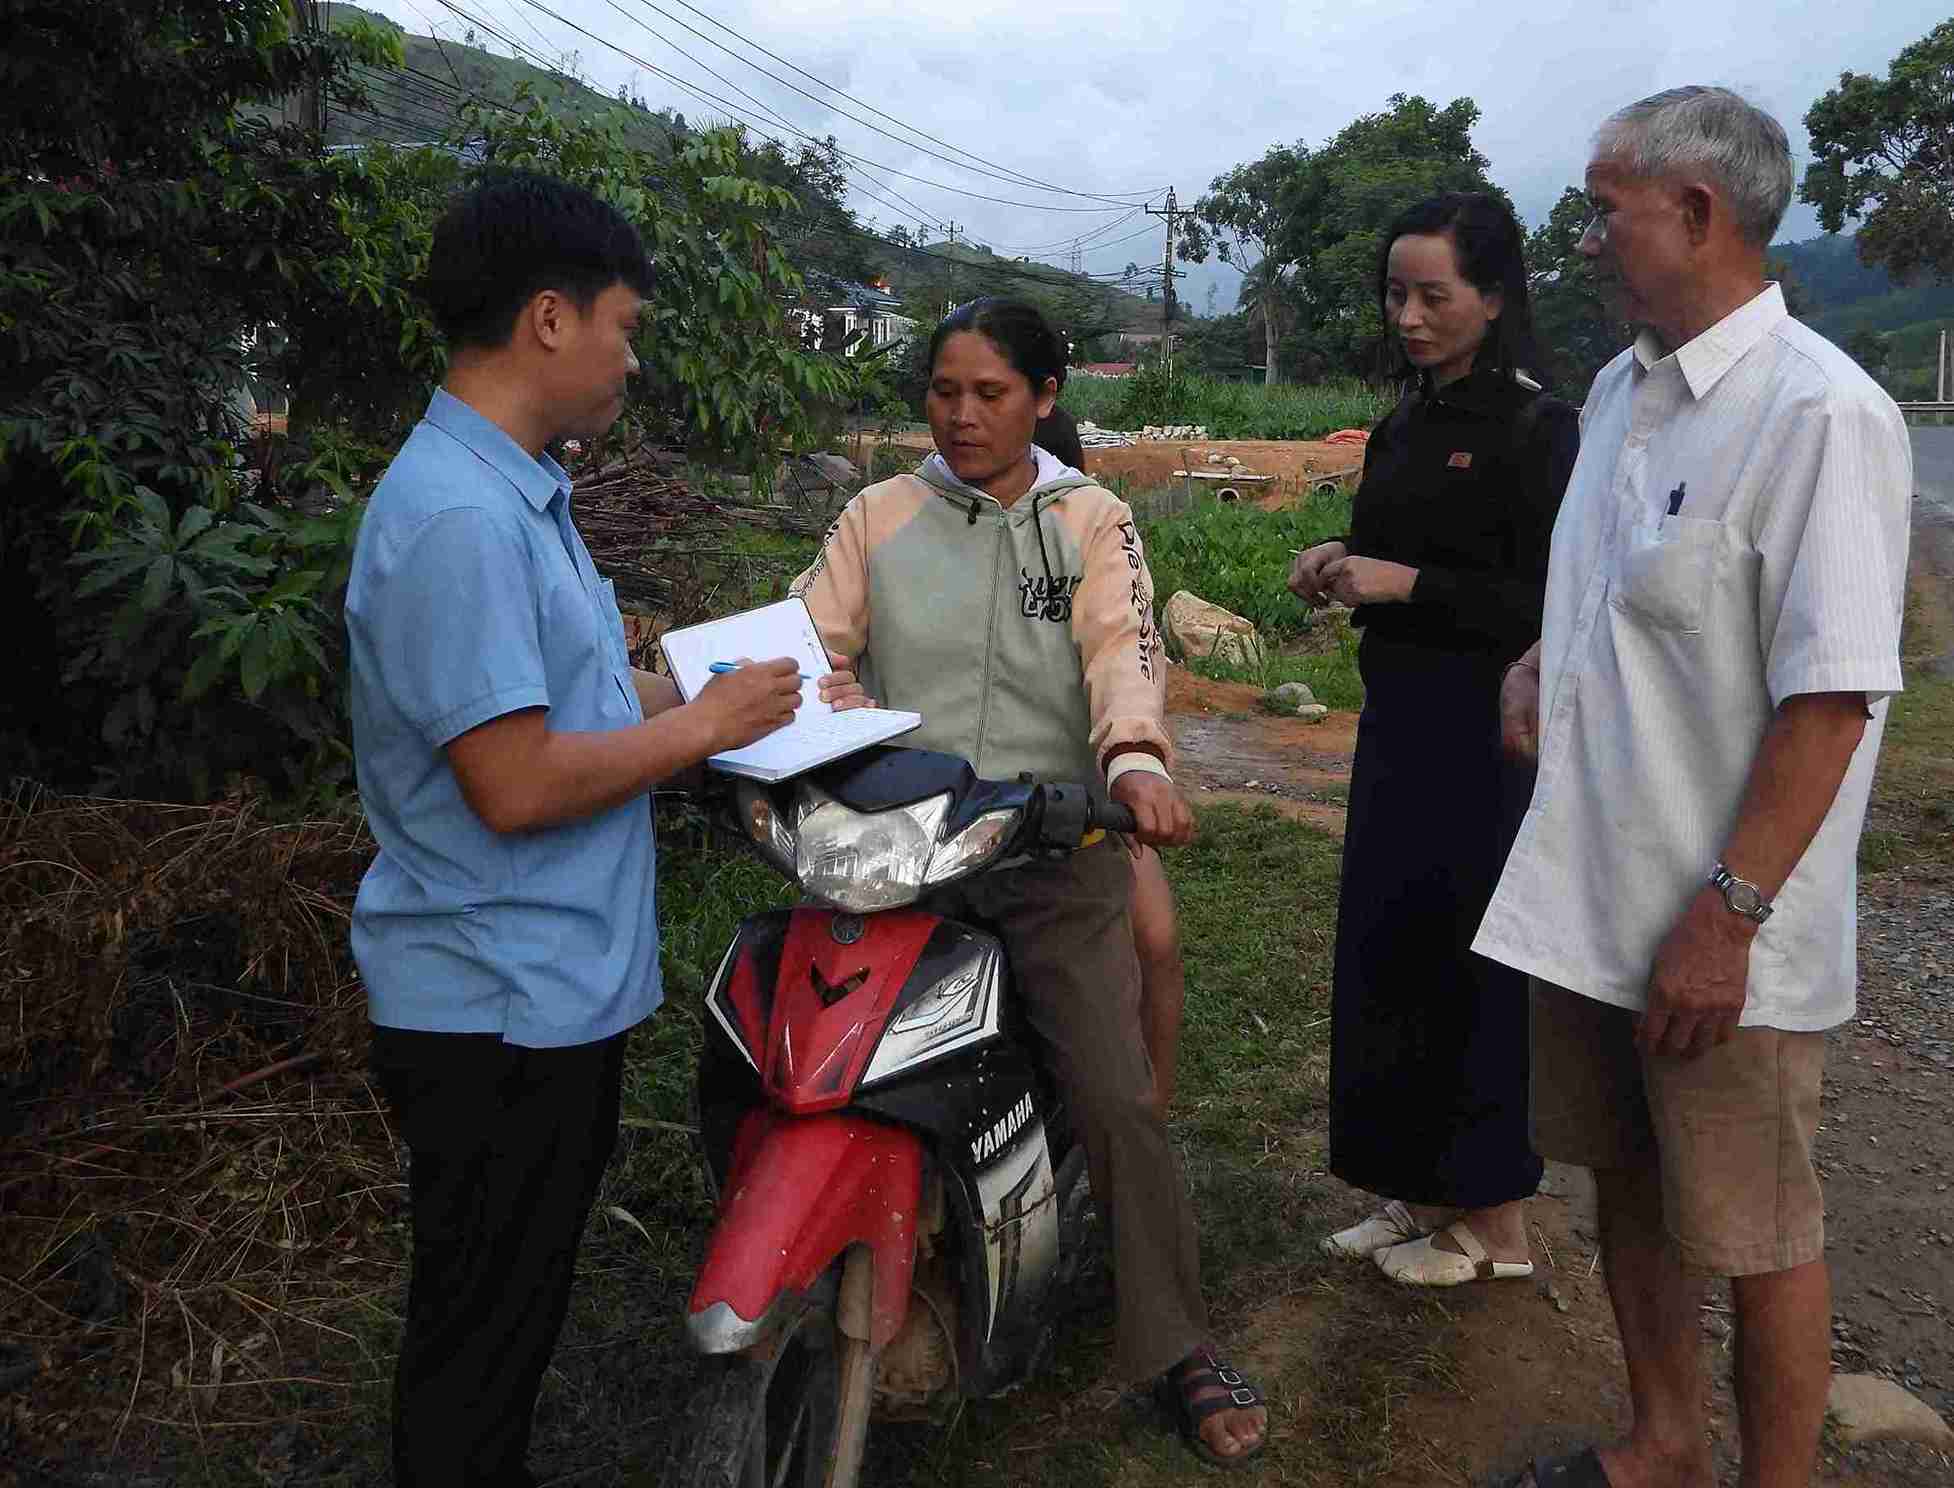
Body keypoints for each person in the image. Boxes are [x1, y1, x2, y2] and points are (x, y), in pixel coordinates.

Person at [344, 171, 860, 1488]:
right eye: (624, 325)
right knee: (479, 1334)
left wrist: (747, 695)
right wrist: (701, 728)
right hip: (494, 1005)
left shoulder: (511, 491)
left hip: (536, 988)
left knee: (504, 1319)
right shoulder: (461, 520)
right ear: (548, 321)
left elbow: (570, 702)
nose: (631, 356)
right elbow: (513, 781)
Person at [1472, 88, 1911, 1488]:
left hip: (1720, 929)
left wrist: (1723, 915)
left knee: (1758, 1230)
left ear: (1697, 212)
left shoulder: (1818, 416)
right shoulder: (1617, 391)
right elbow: (1620, 591)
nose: (1587, 236)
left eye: (1605, 208)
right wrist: (1540, 660)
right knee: (1629, 1187)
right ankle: (1663, 1443)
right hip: (1590, 901)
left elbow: (1831, 697)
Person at [794, 299, 1267, 1467]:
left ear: (1044, 397)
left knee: (1112, 1092)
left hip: (1056, 852)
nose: (960, 415)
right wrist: (800, 698)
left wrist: (1138, 764)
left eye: (989, 393)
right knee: (817, 1048)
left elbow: (1122, 654)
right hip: (901, 848)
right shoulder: (878, 516)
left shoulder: (1091, 521)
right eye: (943, 391)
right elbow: (811, 643)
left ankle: (1174, 1340)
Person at [1289, 193, 1579, 1287]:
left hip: (1487, 737)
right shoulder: (1408, 420)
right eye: (1394, 293)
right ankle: (1415, 1194)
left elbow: (1555, 600)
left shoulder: (1539, 428)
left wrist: (1406, 583)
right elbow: (1385, 553)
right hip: (1398, 722)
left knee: (1474, 969)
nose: (1406, 315)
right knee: (1389, 953)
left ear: (1493, 298)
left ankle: (1493, 1226)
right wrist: (1335, 557)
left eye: (1432, 295)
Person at [1036, 403, 1187, 1120]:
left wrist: (1130, 759)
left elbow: (1137, 661)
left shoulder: (1099, 551)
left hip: (1089, 798)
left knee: (1153, 939)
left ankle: (1150, 1104)